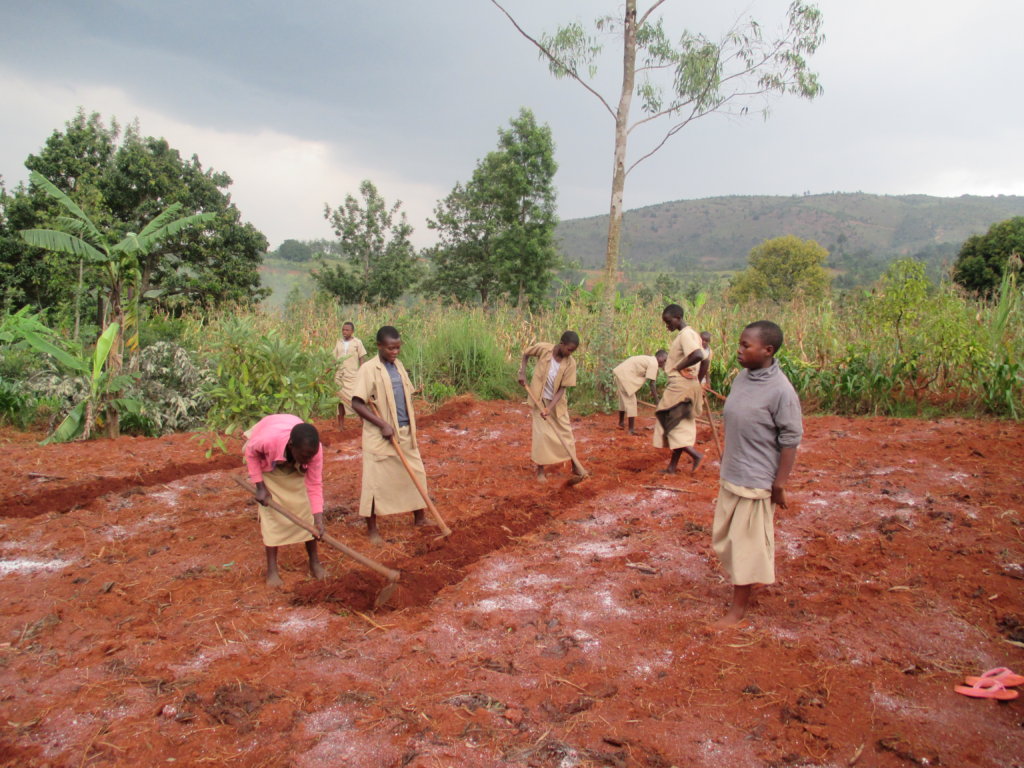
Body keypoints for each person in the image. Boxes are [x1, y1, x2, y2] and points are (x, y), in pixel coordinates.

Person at [711, 320, 802, 628]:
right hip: (732, 472)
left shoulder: (781, 391)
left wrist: (779, 485)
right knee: (727, 539)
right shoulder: (743, 378)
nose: (738, 350)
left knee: (745, 546)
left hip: (755, 479)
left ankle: (738, 610)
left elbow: (790, 440)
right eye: (739, 344)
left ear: (768, 350)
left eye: (745, 346)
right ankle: (746, 583)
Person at [350, 326, 428, 545]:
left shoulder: (398, 366)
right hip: (380, 434)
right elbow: (357, 402)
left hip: (404, 431)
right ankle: (372, 530)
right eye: (390, 348)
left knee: (416, 472)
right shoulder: (368, 369)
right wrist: (382, 424)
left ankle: (420, 517)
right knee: (375, 482)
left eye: (397, 348)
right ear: (379, 346)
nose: (395, 352)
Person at [243, 414, 327, 588]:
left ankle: (314, 563)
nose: (309, 460)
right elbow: (250, 453)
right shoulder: (268, 441)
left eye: (311, 455)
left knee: (306, 513)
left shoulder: (313, 451)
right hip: (268, 463)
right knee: (271, 515)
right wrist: (259, 487)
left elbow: (314, 484)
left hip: (292, 461)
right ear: (291, 446)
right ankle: (272, 570)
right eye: (305, 456)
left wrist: (318, 519)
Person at [518, 331, 581, 483]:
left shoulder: (570, 363)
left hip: (557, 404)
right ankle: (540, 471)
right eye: (569, 349)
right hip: (539, 401)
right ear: (562, 344)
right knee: (542, 436)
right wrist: (522, 372)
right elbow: (526, 354)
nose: (570, 353)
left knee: (566, 434)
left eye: (573, 351)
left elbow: (562, 389)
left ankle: (575, 465)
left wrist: (550, 407)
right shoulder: (544, 349)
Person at [653, 304, 707, 473]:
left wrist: (678, 367)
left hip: (680, 385)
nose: (667, 325)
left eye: (668, 321)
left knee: (666, 420)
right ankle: (672, 467)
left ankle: (695, 455)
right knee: (679, 425)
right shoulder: (693, 335)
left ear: (678, 317)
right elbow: (705, 359)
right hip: (687, 384)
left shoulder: (686, 335)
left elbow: (698, 355)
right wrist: (697, 381)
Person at [613, 350, 667, 434]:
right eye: (664, 360)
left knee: (623, 400)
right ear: (660, 357)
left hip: (621, 373)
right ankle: (631, 430)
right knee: (631, 402)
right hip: (625, 375)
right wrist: (657, 402)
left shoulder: (650, 360)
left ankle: (621, 423)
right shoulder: (654, 364)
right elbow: (652, 385)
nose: (664, 362)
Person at [332, 322, 368, 427]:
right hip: (339, 376)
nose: (344, 332)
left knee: (356, 399)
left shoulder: (357, 342)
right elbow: (334, 359)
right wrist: (326, 371)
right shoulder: (338, 342)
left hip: (353, 376)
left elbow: (362, 358)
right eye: (343, 330)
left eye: (347, 330)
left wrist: (362, 373)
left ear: (352, 331)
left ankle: (364, 423)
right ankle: (341, 425)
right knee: (340, 401)